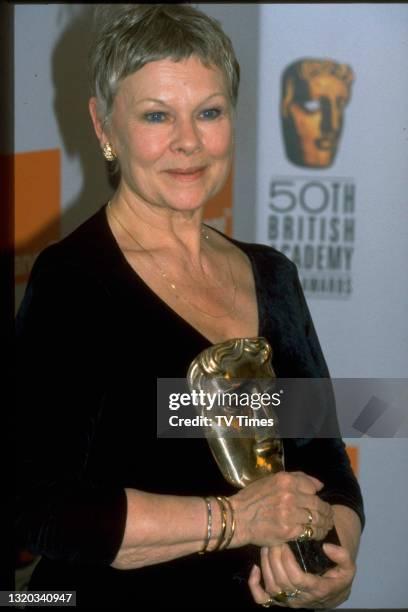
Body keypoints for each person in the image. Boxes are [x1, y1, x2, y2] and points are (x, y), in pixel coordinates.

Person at [15, 4, 364, 610]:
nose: (188, 141)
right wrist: (234, 521)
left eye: (209, 112)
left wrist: (334, 563)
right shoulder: (74, 281)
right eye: (156, 115)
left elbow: (328, 469)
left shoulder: (272, 275)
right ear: (104, 128)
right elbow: (37, 507)